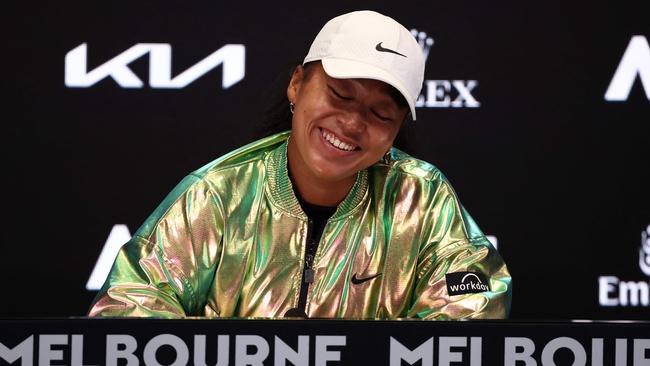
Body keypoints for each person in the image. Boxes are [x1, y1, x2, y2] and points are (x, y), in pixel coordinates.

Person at [89, 10, 511, 319]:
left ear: (397, 128)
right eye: (340, 96)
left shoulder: (421, 198)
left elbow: (474, 300)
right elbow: (131, 305)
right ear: (297, 85)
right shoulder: (219, 193)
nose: (351, 124)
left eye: (381, 114)